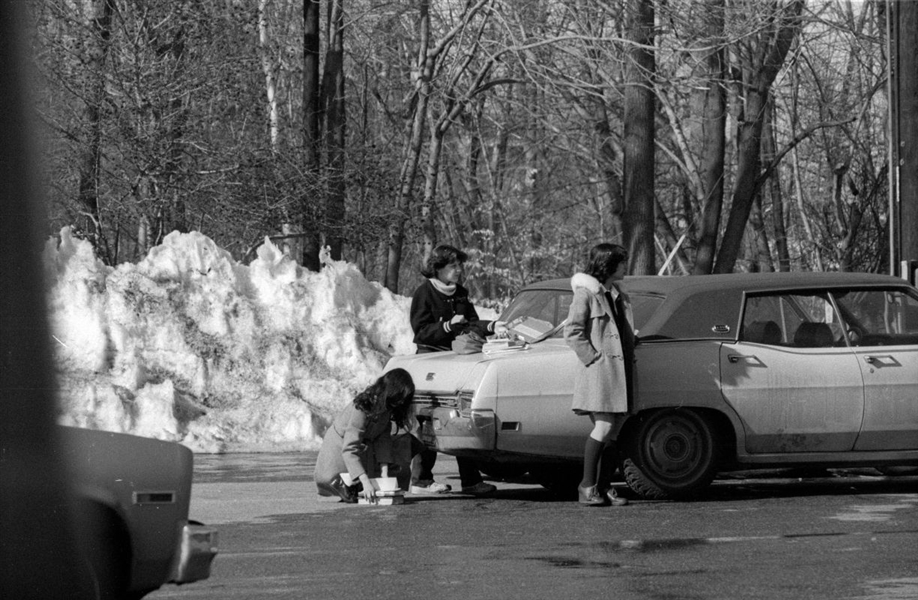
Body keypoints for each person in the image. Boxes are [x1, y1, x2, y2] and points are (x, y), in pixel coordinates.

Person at [408, 244, 500, 496]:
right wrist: (447, 326)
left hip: (457, 359)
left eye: (460, 265)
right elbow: (421, 332)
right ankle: (421, 480)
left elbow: (470, 322)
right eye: (452, 266)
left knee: (460, 418)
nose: (458, 270)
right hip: (432, 361)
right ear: (437, 269)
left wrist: (491, 325)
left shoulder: (461, 293)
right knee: (429, 419)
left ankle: (470, 480)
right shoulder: (423, 293)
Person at [564, 243, 633, 507]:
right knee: (604, 427)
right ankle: (587, 486)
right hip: (600, 371)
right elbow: (572, 331)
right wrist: (594, 357)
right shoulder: (587, 294)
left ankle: (604, 487)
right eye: (622, 262)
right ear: (608, 264)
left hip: (620, 371)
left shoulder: (615, 294)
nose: (626, 267)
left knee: (613, 431)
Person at [314, 368, 416, 504]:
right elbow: (350, 449)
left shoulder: (386, 406)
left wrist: (384, 474)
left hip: (359, 450)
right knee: (345, 490)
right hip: (339, 450)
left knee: (363, 491)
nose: (400, 404)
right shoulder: (362, 407)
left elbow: (383, 441)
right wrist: (365, 482)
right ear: (391, 392)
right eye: (399, 399)